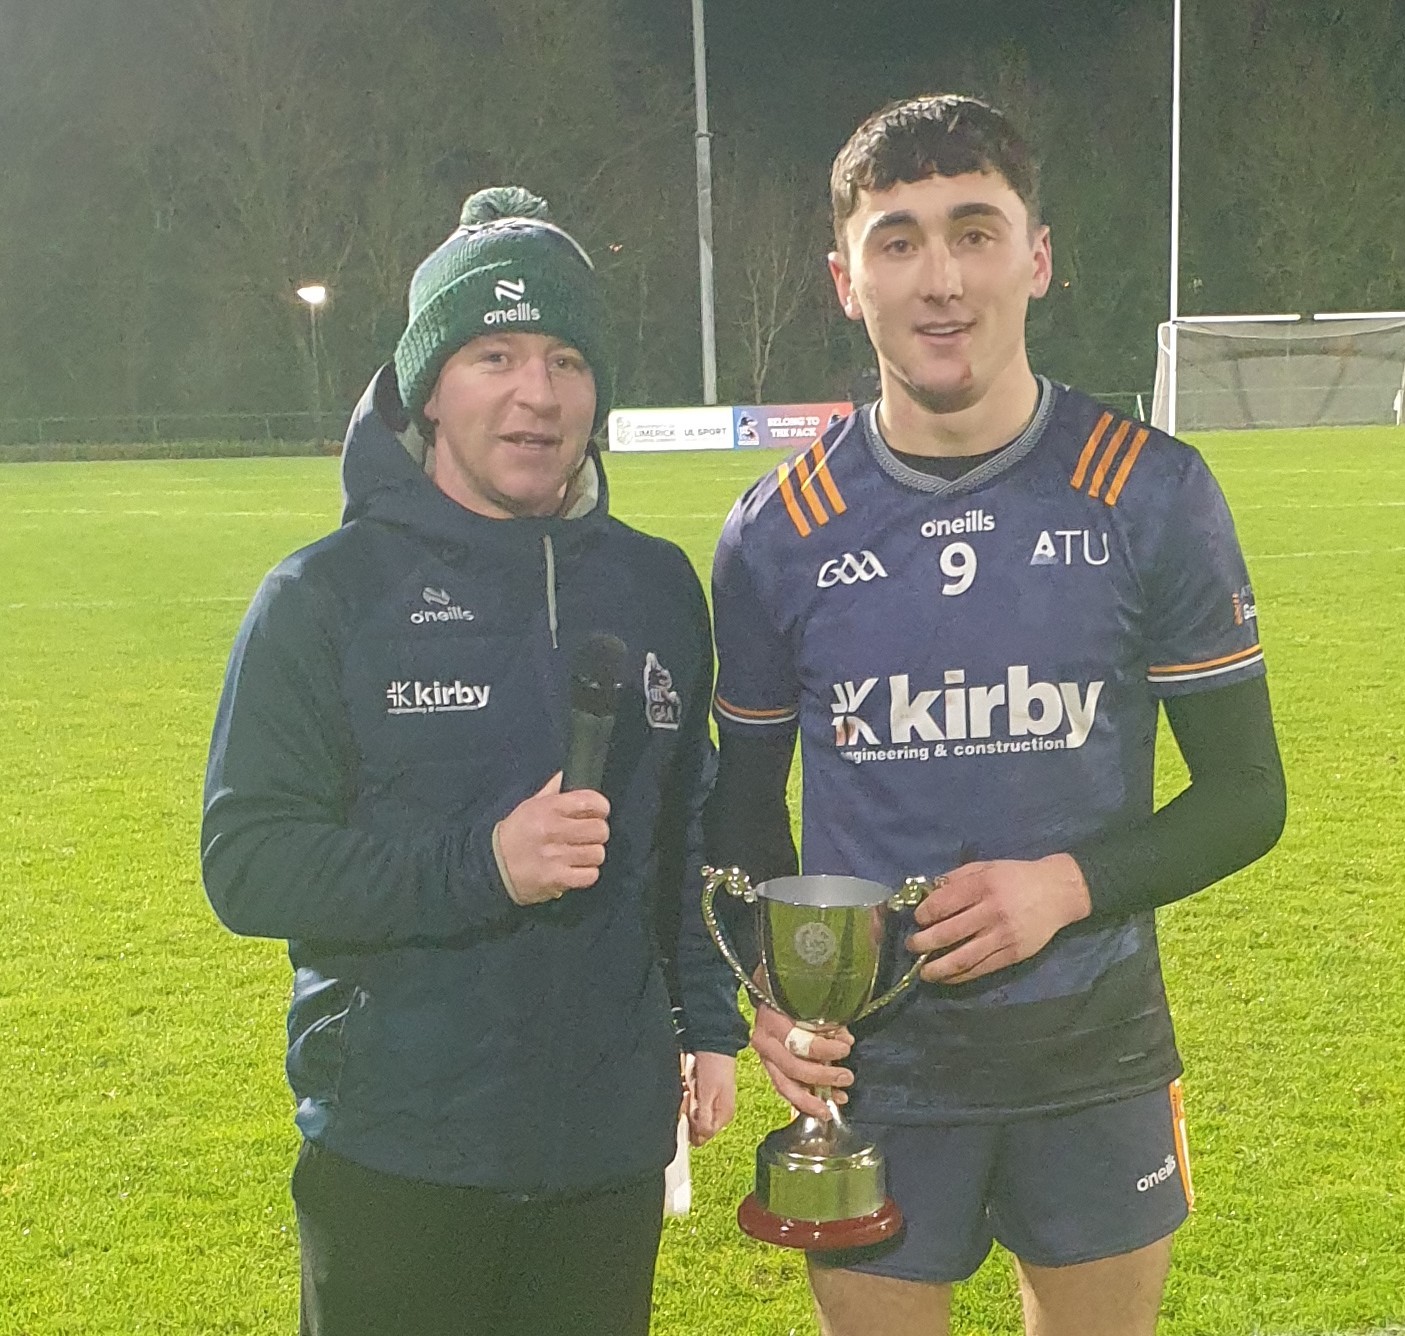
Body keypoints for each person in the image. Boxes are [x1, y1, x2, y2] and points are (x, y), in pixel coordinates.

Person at [705, 96, 1286, 1336]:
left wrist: (1066, 886)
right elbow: (743, 808)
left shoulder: (1150, 492)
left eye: (975, 231)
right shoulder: (776, 532)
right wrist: (771, 990)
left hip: (1093, 1060)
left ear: (1038, 258)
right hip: (876, 1075)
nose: (942, 278)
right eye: (898, 240)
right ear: (845, 281)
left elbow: (1249, 796)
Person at [201, 186, 743, 1336]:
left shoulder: (655, 585)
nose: (537, 392)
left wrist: (708, 1022)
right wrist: (484, 863)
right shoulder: (323, 597)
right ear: (427, 387)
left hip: (605, 1158)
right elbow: (247, 864)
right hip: (400, 1156)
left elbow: (684, 822)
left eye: (566, 359)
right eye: (494, 355)